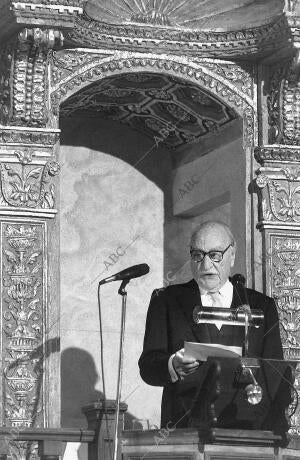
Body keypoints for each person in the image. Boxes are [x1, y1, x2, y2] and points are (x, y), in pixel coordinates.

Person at [138, 221, 284, 430]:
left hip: (247, 430)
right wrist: (172, 365)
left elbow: (275, 372)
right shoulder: (166, 300)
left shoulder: (262, 306)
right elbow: (148, 366)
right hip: (185, 430)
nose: (206, 265)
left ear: (232, 256)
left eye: (215, 255)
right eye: (198, 255)